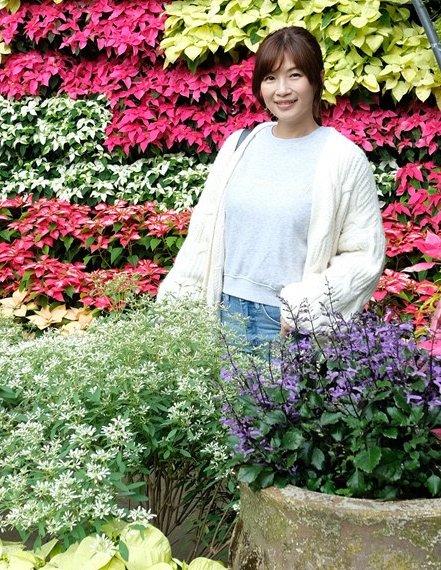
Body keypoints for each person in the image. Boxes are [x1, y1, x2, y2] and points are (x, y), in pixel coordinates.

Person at [156, 26, 386, 343]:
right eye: (270, 78)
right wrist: (176, 310)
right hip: (221, 316)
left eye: (294, 76)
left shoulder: (343, 159)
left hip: (285, 326)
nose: (282, 90)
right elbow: (203, 234)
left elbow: (363, 256)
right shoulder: (239, 146)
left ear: (317, 78)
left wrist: (304, 307)